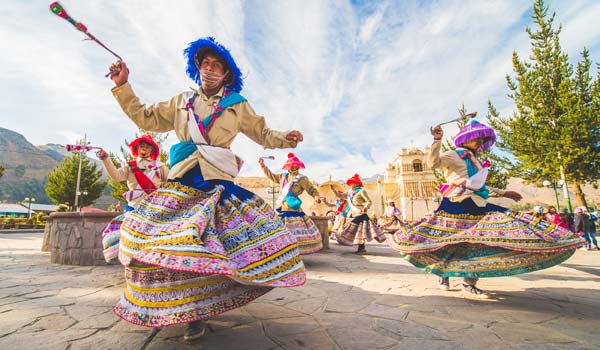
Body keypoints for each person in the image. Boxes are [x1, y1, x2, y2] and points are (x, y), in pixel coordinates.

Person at [107, 37, 306, 340]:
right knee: (169, 239)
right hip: (181, 178)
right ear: (197, 67)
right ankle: (179, 307)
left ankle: (202, 309)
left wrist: (286, 138)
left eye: (218, 66)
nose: (211, 69)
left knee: (222, 243)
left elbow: (262, 132)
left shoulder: (237, 106)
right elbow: (144, 116)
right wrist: (123, 86)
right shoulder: (180, 102)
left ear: (226, 74)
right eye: (206, 64)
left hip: (216, 179)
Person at [387, 120, 585, 298]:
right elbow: (433, 163)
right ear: (467, 139)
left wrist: (504, 193)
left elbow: (480, 186)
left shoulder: (477, 161)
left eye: (482, 140)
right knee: (448, 241)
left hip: (478, 203)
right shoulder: (453, 155)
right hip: (456, 204)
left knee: (483, 239)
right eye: (477, 139)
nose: (480, 142)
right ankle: (443, 275)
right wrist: (437, 140)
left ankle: (469, 281)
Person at [96, 135, 168, 262]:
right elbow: (117, 177)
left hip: (156, 206)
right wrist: (106, 159)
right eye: (142, 146)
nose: (145, 149)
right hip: (135, 207)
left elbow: (171, 181)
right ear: (137, 148)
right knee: (131, 239)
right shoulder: (130, 166)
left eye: (148, 147)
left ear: (152, 150)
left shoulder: (160, 166)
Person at [259, 153, 323, 254]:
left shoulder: (302, 179)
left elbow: (312, 190)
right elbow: (270, 175)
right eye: (290, 165)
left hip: (294, 209)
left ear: (298, 165)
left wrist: (316, 197)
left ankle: (295, 253)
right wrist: (263, 166)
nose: (292, 166)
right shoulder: (282, 177)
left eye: (294, 165)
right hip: (282, 208)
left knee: (295, 234)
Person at [331, 174, 386, 254]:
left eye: (352, 183)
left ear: (357, 184)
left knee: (360, 232)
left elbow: (369, 201)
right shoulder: (349, 192)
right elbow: (340, 196)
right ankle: (358, 246)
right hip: (352, 214)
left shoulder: (361, 191)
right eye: (350, 183)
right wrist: (334, 190)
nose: (351, 185)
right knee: (354, 231)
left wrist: (366, 207)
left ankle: (361, 247)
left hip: (360, 213)